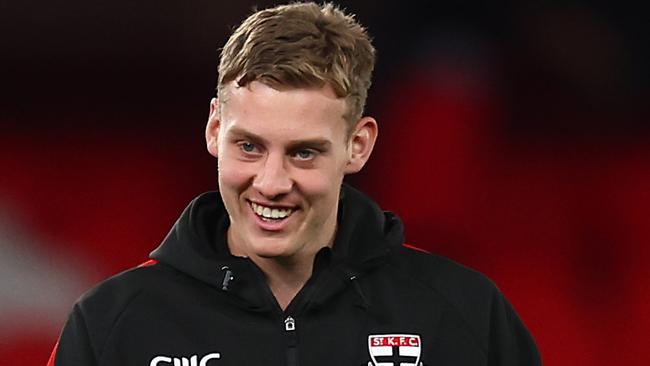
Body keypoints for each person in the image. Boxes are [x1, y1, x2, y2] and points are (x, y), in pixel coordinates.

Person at [49, 2, 541, 365]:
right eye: (250, 146)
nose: (271, 182)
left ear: (358, 145)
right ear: (215, 128)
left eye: (303, 152)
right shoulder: (114, 323)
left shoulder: (463, 315)